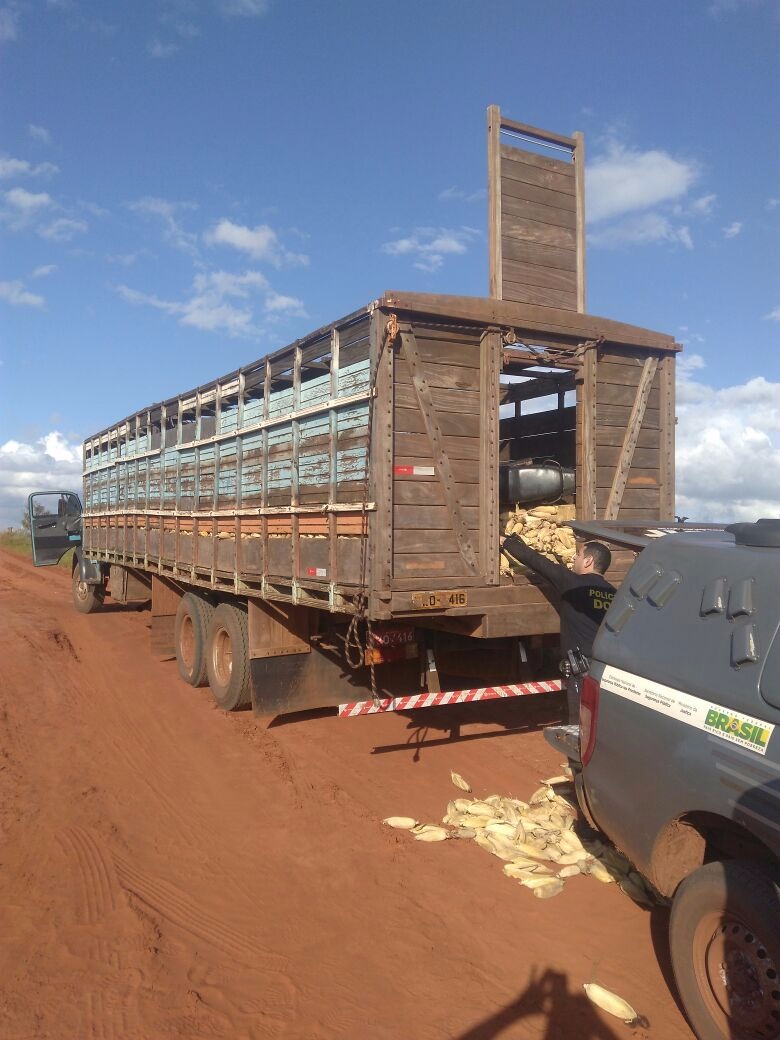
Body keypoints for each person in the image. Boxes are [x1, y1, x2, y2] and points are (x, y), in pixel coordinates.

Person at [501, 532, 616, 722]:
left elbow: (538, 562)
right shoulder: (614, 594)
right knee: (602, 724)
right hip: (607, 671)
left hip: (583, 674)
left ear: (588, 561)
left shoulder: (573, 584)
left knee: (581, 727)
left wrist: (507, 542)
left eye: (578, 555)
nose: (574, 558)